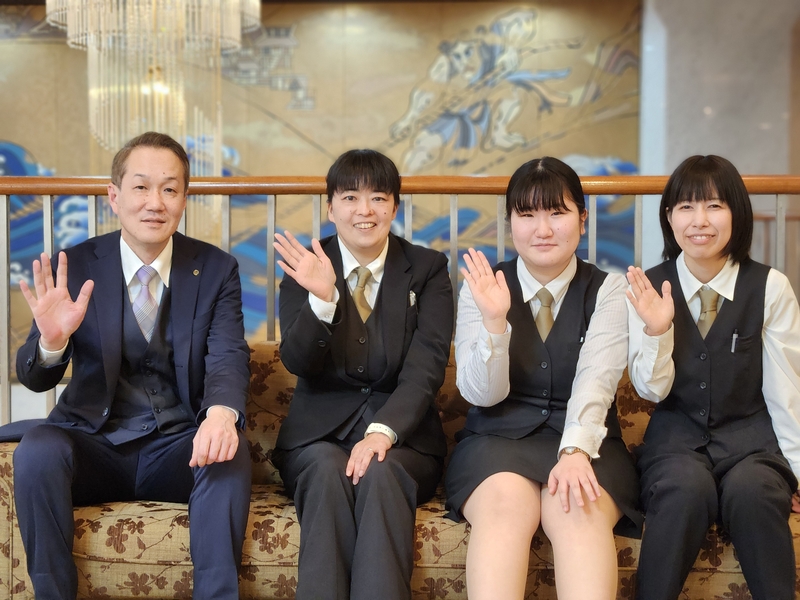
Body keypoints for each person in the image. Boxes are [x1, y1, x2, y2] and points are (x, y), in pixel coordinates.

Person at [11, 132, 252, 600]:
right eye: (140, 187)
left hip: (177, 446)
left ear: (184, 198)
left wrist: (222, 414)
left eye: (169, 189)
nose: (154, 203)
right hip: (95, 444)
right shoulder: (76, 265)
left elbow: (227, 353)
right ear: (114, 196)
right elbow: (34, 376)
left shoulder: (216, 269)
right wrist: (52, 342)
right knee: (37, 449)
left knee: (228, 450)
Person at [445, 157, 641, 600]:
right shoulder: (482, 285)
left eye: (557, 212)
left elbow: (597, 378)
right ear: (510, 222)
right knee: (504, 508)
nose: (543, 229)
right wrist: (495, 323)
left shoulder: (610, 289)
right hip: (496, 440)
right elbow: (480, 394)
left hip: (588, 443)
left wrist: (575, 450)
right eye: (528, 214)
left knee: (576, 509)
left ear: (583, 219)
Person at [270, 149, 453, 600]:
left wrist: (383, 432)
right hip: (316, 438)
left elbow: (427, 366)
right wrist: (322, 300)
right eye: (350, 197)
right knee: (326, 471)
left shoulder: (428, 270)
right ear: (331, 207)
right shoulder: (305, 267)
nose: (364, 210)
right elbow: (297, 361)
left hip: (404, 442)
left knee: (382, 472)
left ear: (395, 206)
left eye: (378, 198)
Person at [626, 154, 800, 600]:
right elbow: (650, 389)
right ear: (669, 217)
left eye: (714, 206)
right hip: (675, 445)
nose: (699, 220)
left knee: (756, 492)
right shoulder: (647, 287)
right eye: (686, 207)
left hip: (753, 446)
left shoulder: (770, 287)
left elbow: (787, 389)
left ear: (736, 214)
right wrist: (657, 329)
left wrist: (799, 472)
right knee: (683, 490)